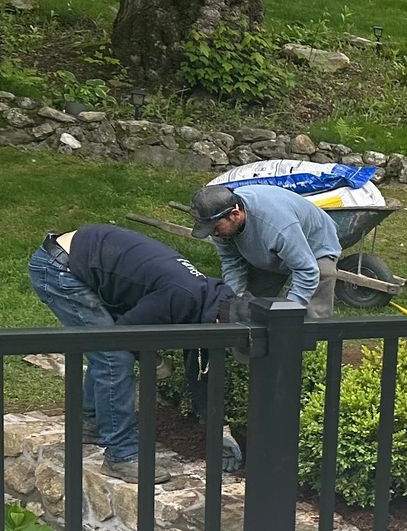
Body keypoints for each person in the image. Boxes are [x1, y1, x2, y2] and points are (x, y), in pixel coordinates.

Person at [27, 225, 240, 482]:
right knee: (114, 354)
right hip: (59, 268)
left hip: (87, 256)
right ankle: (121, 455)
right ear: (220, 324)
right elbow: (123, 334)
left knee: (107, 347)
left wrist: (218, 433)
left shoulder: (211, 299)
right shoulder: (181, 296)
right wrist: (156, 361)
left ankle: (90, 423)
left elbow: (199, 369)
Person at [190, 178, 342, 317]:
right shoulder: (221, 226)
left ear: (235, 214)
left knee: (312, 310)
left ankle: (313, 340)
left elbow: (307, 270)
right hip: (270, 246)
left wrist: (287, 313)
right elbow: (232, 262)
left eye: (216, 228)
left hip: (316, 244)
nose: (213, 233)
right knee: (253, 307)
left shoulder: (277, 226)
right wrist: (235, 298)